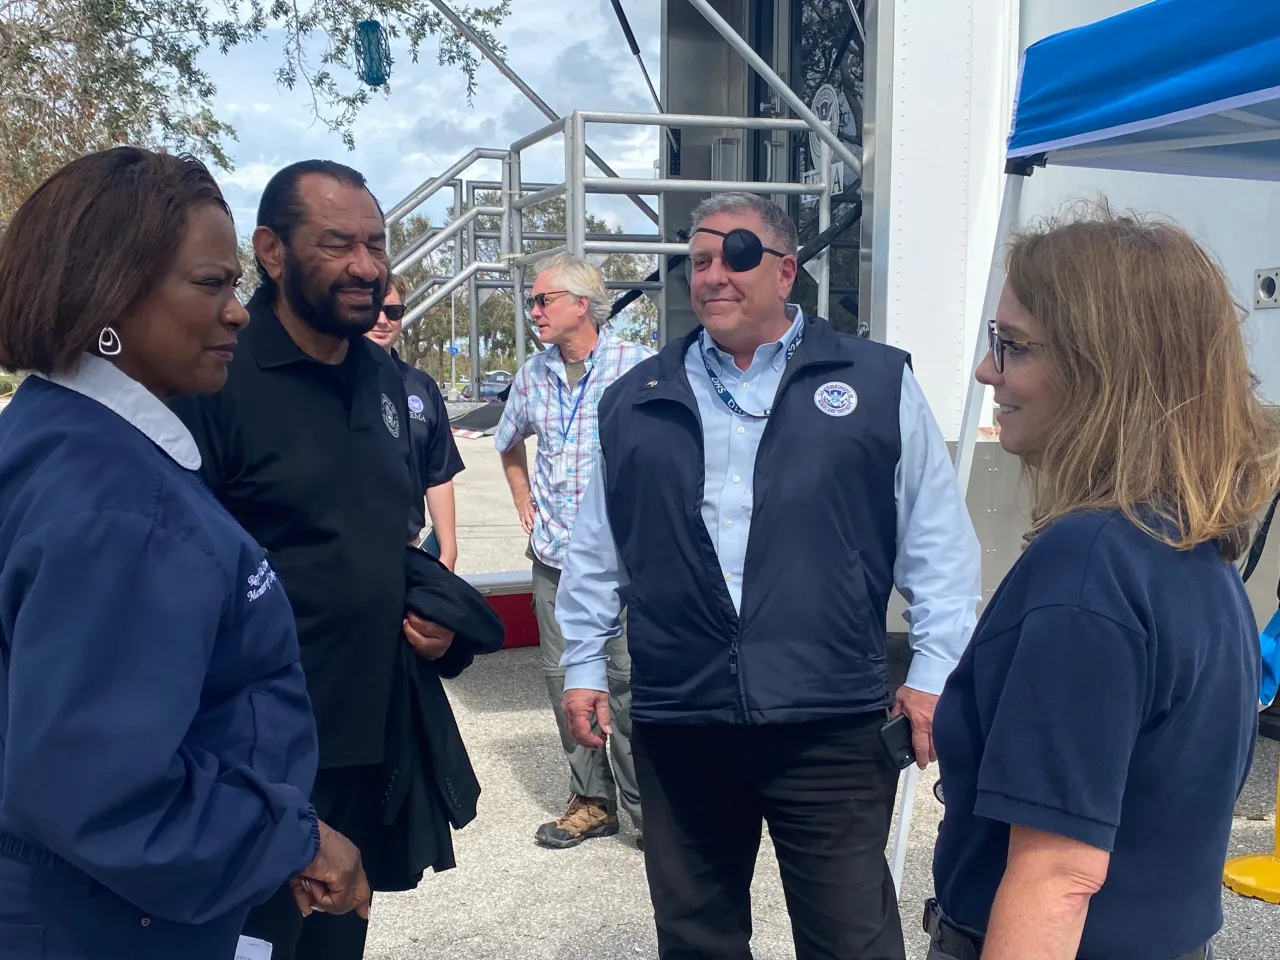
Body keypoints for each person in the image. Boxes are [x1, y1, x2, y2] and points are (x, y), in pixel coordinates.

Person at [555, 192, 982, 959]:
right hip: (683, 717)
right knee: (696, 939)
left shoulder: (875, 384)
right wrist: (584, 661)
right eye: (700, 260)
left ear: (786, 271)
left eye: (737, 255)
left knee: (853, 940)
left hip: (829, 721)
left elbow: (938, 543)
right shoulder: (637, 400)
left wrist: (934, 670)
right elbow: (599, 547)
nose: (715, 274)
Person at [0, 147, 368, 959]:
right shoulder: (122, 509)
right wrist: (294, 841)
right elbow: (102, 791)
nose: (238, 311)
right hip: (104, 920)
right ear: (108, 295)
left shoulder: (47, 436)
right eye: (212, 285)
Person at [927, 207, 1280, 960]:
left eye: (1011, 347)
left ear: (1103, 368)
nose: (988, 371)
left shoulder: (1091, 562)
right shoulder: (1192, 550)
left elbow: (1059, 876)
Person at [169, 159, 482, 960]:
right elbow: (177, 574)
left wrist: (438, 620)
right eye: (339, 243)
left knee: (335, 949)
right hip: (253, 757)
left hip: (368, 738)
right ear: (271, 251)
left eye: (375, 243)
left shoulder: (388, 381)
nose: (367, 266)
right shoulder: (215, 379)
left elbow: (380, 536)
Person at [495, 252, 654, 849]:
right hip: (555, 558)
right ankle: (592, 802)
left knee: (628, 683)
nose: (532, 311)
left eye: (542, 300)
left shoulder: (640, 368)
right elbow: (508, 443)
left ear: (580, 305)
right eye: (532, 302)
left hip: (624, 563)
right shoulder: (532, 374)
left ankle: (650, 816)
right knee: (565, 681)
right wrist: (522, 500)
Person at [366, 273, 465, 567]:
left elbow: (438, 473)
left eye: (393, 312)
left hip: (405, 549)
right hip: (345, 553)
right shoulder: (329, 380)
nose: (383, 320)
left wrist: (448, 552)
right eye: (374, 309)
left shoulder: (421, 387)